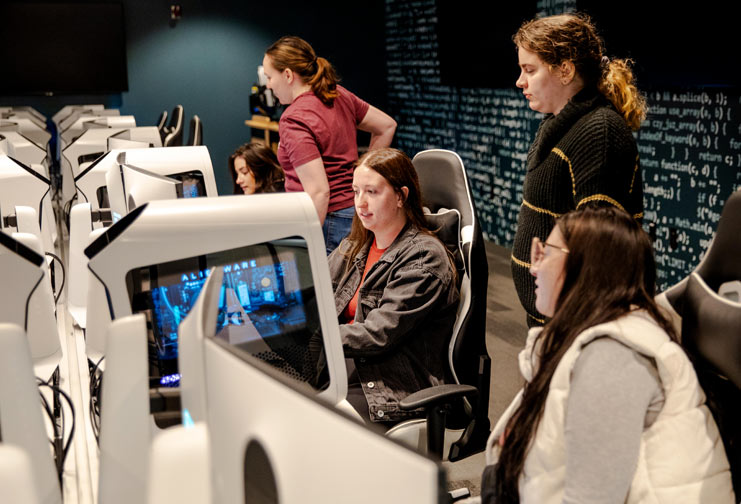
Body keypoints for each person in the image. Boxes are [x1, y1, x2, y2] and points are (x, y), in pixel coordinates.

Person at [476, 206, 734, 504]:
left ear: (586, 268)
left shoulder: (613, 358)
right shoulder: (581, 339)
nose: (534, 267)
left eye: (545, 252)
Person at [510, 13, 647, 327]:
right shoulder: (561, 124)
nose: (520, 81)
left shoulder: (599, 133)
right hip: (552, 314)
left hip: (575, 319)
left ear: (565, 71)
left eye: (529, 70)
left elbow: (597, 249)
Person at [327, 148, 459, 425]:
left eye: (372, 192)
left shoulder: (424, 256)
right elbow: (316, 289)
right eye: (355, 192)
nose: (360, 204)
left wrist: (316, 338)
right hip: (348, 367)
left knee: (307, 424)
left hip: (389, 386)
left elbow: (379, 333)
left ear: (401, 196)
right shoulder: (356, 244)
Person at [263, 36, 397, 254]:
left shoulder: (294, 119)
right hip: (352, 214)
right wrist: (362, 177)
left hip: (328, 222)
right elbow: (386, 126)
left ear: (288, 75)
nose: (268, 85)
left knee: (327, 287)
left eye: (269, 77)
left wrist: (308, 244)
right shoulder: (339, 94)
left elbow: (319, 192)